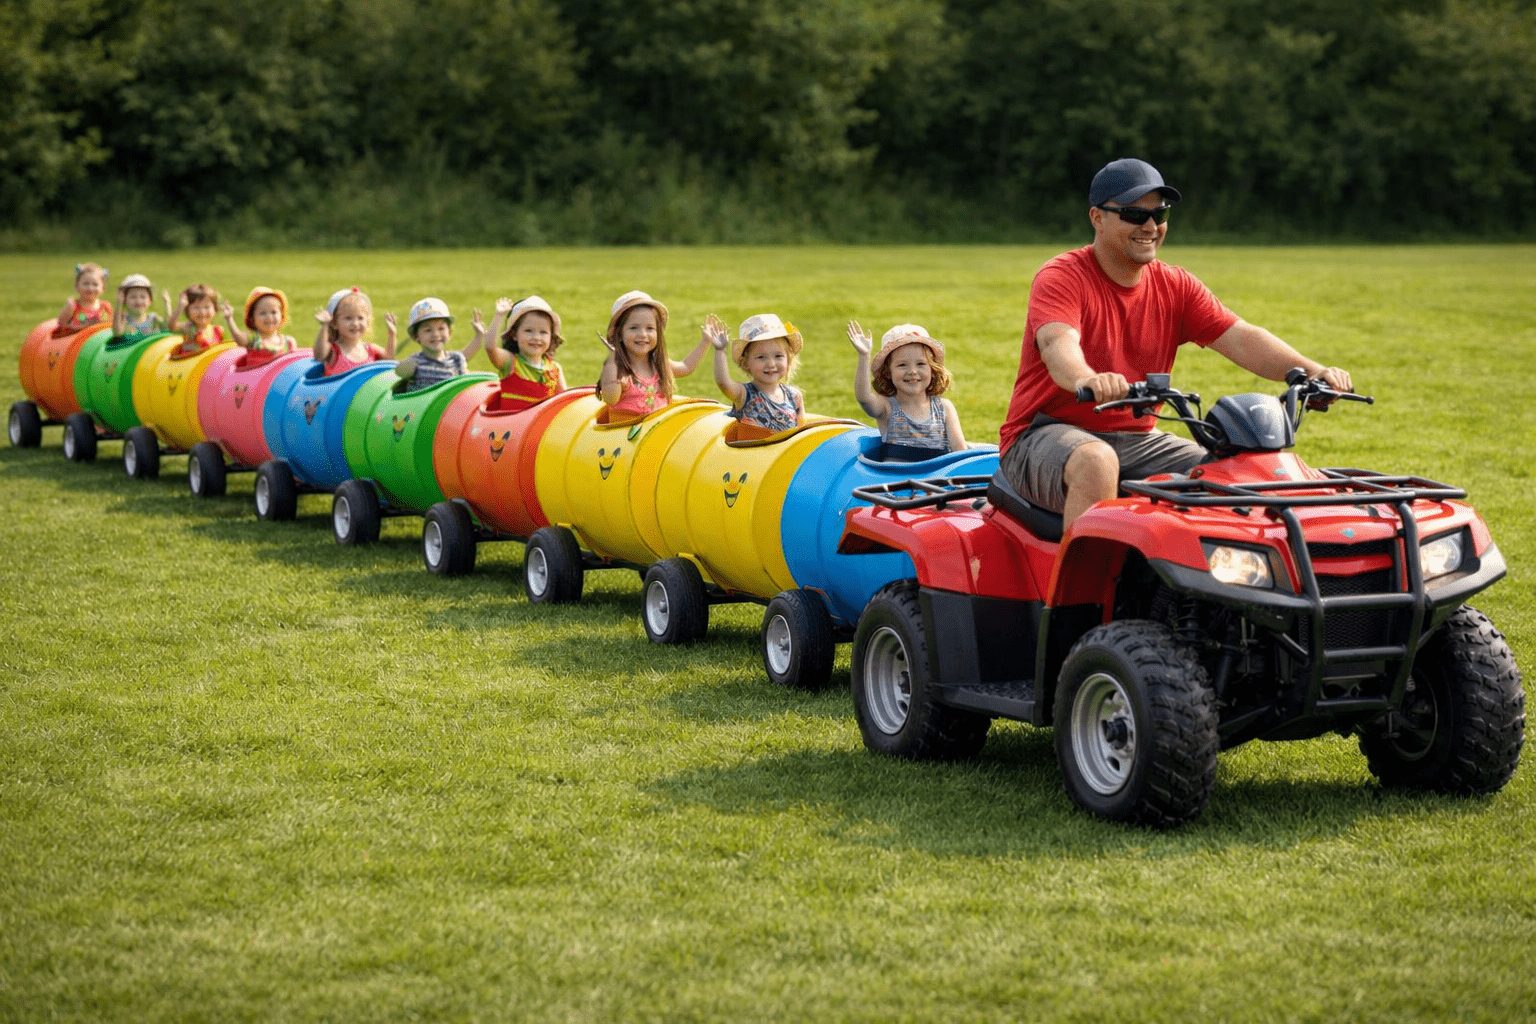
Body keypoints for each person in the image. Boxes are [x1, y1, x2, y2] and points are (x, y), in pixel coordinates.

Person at [999, 157, 1352, 527]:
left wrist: (1314, 373)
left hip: (1137, 437)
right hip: (1041, 433)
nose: (1150, 226)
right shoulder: (1062, 276)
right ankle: (1080, 586)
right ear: (1097, 218)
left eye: (1160, 214)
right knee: (1096, 461)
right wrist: (1087, 378)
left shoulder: (1175, 285)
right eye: (1135, 215)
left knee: (1230, 470)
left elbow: (1242, 338)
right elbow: (1059, 345)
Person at [847, 321, 967, 455]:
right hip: (897, 475)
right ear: (888, 372)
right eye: (902, 365)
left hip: (936, 475)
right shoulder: (887, 407)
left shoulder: (944, 408)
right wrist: (864, 356)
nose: (912, 371)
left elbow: (960, 451)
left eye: (921, 364)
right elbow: (864, 399)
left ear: (932, 369)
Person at [597, 290, 709, 416]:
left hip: (658, 433)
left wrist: (705, 342)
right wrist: (612, 359)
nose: (643, 334)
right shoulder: (620, 372)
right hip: (628, 434)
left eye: (650, 328)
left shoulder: (658, 365)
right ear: (619, 334)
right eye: (634, 328)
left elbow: (686, 367)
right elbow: (610, 399)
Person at [707, 312, 806, 433]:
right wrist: (720, 350)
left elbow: (802, 434)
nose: (771, 364)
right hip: (754, 451)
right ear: (746, 363)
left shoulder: (794, 396)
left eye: (778, 356)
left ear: (788, 360)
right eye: (761, 357)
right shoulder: (743, 394)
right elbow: (723, 382)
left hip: (784, 452)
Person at [483, 295, 566, 407]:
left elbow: (564, 401)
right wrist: (499, 315)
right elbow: (490, 347)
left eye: (543, 332)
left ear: (551, 336)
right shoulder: (510, 362)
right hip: (511, 424)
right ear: (514, 335)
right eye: (528, 331)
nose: (536, 337)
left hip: (542, 424)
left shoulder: (555, 370)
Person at [395, 297, 482, 393]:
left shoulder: (456, 359)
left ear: (449, 332)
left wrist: (479, 336)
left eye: (441, 328)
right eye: (428, 330)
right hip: (424, 407)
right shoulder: (415, 362)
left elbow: (467, 384)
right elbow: (398, 373)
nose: (436, 334)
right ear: (416, 336)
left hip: (450, 406)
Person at [313, 287, 394, 375]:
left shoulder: (370, 349)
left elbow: (388, 360)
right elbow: (319, 355)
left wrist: (391, 335)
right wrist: (325, 325)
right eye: (348, 318)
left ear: (367, 322)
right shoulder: (334, 351)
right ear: (334, 323)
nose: (355, 323)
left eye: (360, 318)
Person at [167, 283, 236, 355]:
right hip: (191, 365)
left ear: (215, 310)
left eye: (206, 307)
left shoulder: (218, 331)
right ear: (188, 310)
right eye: (196, 308)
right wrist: (180, 307)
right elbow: (171, 325)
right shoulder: (189, 327)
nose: (202, 312)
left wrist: (230, 319)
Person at [230, 286, 297, 357]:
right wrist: (229, 319)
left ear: (281, 315)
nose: (269, 317)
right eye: (263, 313)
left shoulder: (288, 342)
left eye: (274, 312)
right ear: (252, 319)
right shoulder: (253, 340)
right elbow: (239, 338)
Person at [55, 263, 113, 336]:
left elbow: (110, 328)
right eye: (85, 284)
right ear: (77, 286)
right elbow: (62, 326)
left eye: (95, 284)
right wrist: (86, 326)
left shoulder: (105, 307)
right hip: (76, 344)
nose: (90, 288)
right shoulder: (73, 306)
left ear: (103, 288)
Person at [112, 274, 170, 338]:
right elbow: (117, 333)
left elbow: (167, 327)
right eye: (133, 297)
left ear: (150, 300)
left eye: (143, 297)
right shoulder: (125, 320)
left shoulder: (154, 319)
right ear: (125, 300)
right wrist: (119, 305)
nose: (138, 301)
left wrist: (167, 304)